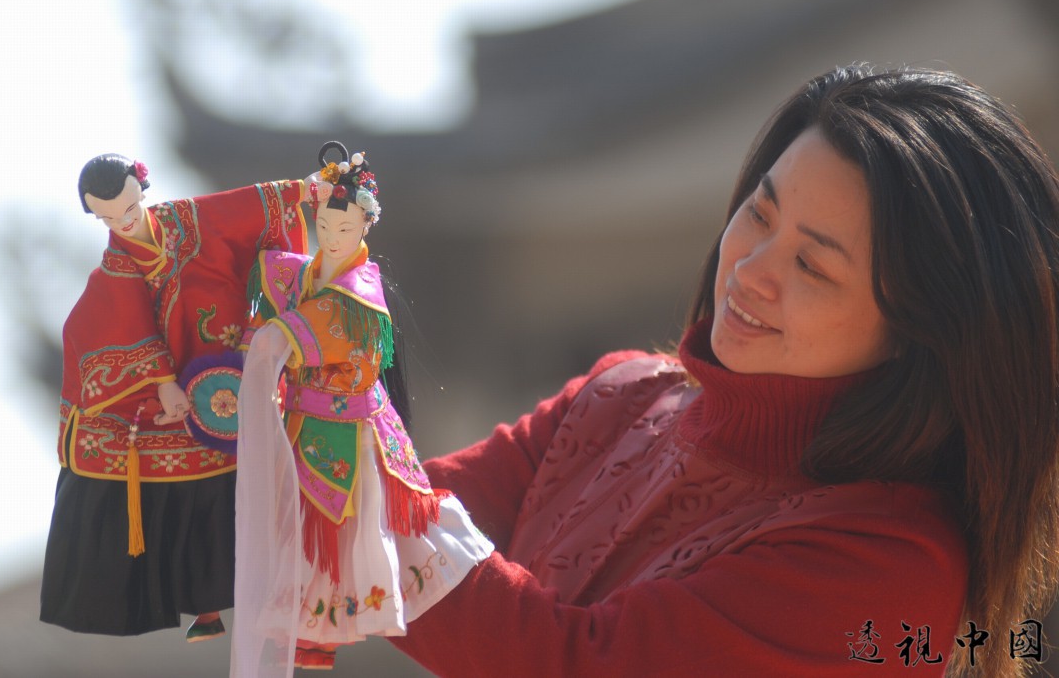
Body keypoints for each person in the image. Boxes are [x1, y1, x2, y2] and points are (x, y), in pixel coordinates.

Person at [388, 65, 1059, 677]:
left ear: (914, 337)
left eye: (813, 267)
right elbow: (382, 521)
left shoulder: (887, 561)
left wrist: (356, 491)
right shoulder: (617, 396)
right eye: (760, 213)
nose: (751, 269)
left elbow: (572, 660)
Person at [231, 143, 493, 674]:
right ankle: (308, 635)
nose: (332, 236)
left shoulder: (358, 292)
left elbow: (313, 327)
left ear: (365, 228)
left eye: (344, 227)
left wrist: (277, 338)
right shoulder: (298, 273)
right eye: (324, 224)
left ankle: (330, 629)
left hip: (350, 429)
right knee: (302, 532)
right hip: (304, 423)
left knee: (353, 529)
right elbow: (267, 272)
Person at [40, 154, 308, 641]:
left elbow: (247, 207)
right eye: (108, 217)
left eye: (128, 207)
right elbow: (110, 320)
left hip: (224, 362)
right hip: (172, 389)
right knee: (174, 487)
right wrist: (161, 381)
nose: (123, 221)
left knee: (228, 481)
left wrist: (303, 191)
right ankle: (199, 606)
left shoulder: (189, 219)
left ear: (141, 190)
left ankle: (237, 597)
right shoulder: (115, 268)